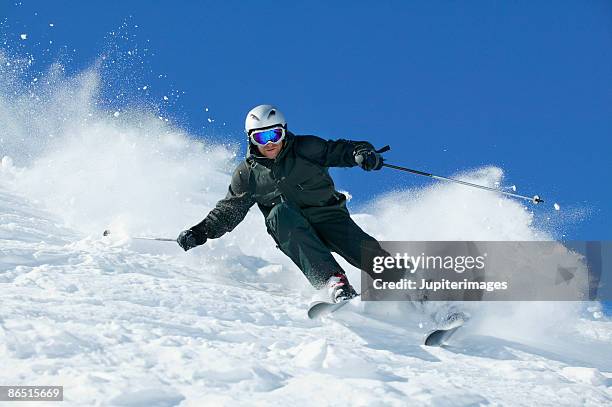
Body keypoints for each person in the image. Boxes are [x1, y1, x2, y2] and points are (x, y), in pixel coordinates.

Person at [177, 105, 389, 303]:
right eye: (261, 137)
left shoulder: (306, 148)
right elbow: (228, 210)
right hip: (290, 228)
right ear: (251, 140)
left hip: (328, 215)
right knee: (279, 213)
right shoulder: (248, 174)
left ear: (284, 132)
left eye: (274, 134)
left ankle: (408, 282)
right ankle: (334, 283)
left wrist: (363, 153)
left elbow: (342, 149)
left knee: (363, 250)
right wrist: (200, 232)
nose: (269, 143)